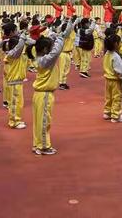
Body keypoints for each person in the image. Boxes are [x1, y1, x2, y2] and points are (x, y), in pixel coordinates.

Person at [31, 19, 74, 155]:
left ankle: (38, 144)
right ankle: (44, 146)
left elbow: (50, 45)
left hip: (39, 94)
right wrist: (61, 37)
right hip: (44, 95)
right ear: (45, 49)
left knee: (38, 121)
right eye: (48, 48)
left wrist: (56, 34)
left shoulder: (38, 56)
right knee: (44, 121)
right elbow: (55, 52)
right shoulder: (45, 60)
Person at [3, 29, 30, 129]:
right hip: (14, 82)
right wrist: (22, 37)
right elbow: (19, 47)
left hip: (18, 82)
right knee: (14, 103)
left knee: (18, 103)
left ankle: (17, 119)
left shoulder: (18, 55)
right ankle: (13, 121)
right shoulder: (12, 54)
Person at [103, 34, 122, 123]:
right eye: (119, 43)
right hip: (115, 80)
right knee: (117, 97)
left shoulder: (106, 53)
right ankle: (115, 115)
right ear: (115, 44)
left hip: (107, 79)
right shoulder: (116, 56)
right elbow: (120, 71)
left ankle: (107, 112)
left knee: (108, 97)